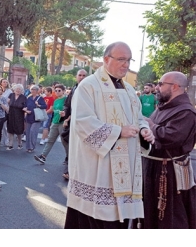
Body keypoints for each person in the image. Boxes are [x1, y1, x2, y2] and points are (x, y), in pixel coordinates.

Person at [64, 42, 154, 229]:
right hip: (97, 168)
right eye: (121, 59)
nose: (126, 65)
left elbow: (138, 117)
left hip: (125, 168)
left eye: (129, 60)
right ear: (106, 59)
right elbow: (83, 121)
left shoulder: (129, 90)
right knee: (93, 222)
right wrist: (119, 131)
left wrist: (144, 130)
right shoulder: (89, 86)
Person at [142, 71, 196, 229]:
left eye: (161, 84)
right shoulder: (163, 107)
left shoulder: (186, 112)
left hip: (170, 172)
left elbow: (171, 137)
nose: (157, 87)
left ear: (175, 87)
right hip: (153, 167)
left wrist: (151, 126)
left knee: (170, 216)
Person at [59, 69, 88, 180]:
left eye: (84, 75)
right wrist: (65, 114)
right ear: (76, 77)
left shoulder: (89, 89)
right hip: (72, 122)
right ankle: (69, 163)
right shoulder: (75, 88)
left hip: (83, 123)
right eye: (80, 75)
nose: (82, 77)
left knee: (78, 147)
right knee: (66, 139)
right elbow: (68, 104)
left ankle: (70, 171)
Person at [34, 84, 68, 164]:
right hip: (55, 121)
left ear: (63, 91)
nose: (57, 92)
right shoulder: (56, 100)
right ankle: (43, 156)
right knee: (50, 140)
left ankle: (69, 157)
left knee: (64, 142)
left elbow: (69, 110)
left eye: (59, 90)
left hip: (62, 122)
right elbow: (53, 109)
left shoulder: (66, 100)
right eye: (55, 91)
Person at [24, 85, 47, 153]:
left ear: (37, 91)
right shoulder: (28, 98)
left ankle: (32, 147)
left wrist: (38, 105)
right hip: (28, 117)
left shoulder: (40, 98)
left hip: (36, 118)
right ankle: (28, 147)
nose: (33, 91)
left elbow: (45, 106)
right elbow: (25, 106)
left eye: (34, 89)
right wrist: (25, 110)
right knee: (28, 132)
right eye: (32, 89)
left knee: (32, 132)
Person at [6, 83, 26, 150]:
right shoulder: (11, 95)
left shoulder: (23, 97)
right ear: (14, 89)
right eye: (17, 89)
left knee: (19, 130)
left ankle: (20, 143)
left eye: (19, 89)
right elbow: (7, 102)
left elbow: (26, 106)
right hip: (11, 114)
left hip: (19, 115)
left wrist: (25, 108)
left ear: (21, 90)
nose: (18, 90)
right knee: (10, 129)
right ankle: (10, 144)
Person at [0, 85, 9, 152]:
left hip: (1, 117)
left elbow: (7, 109)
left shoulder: (3, 98)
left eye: (0, 90)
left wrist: (0, 104)